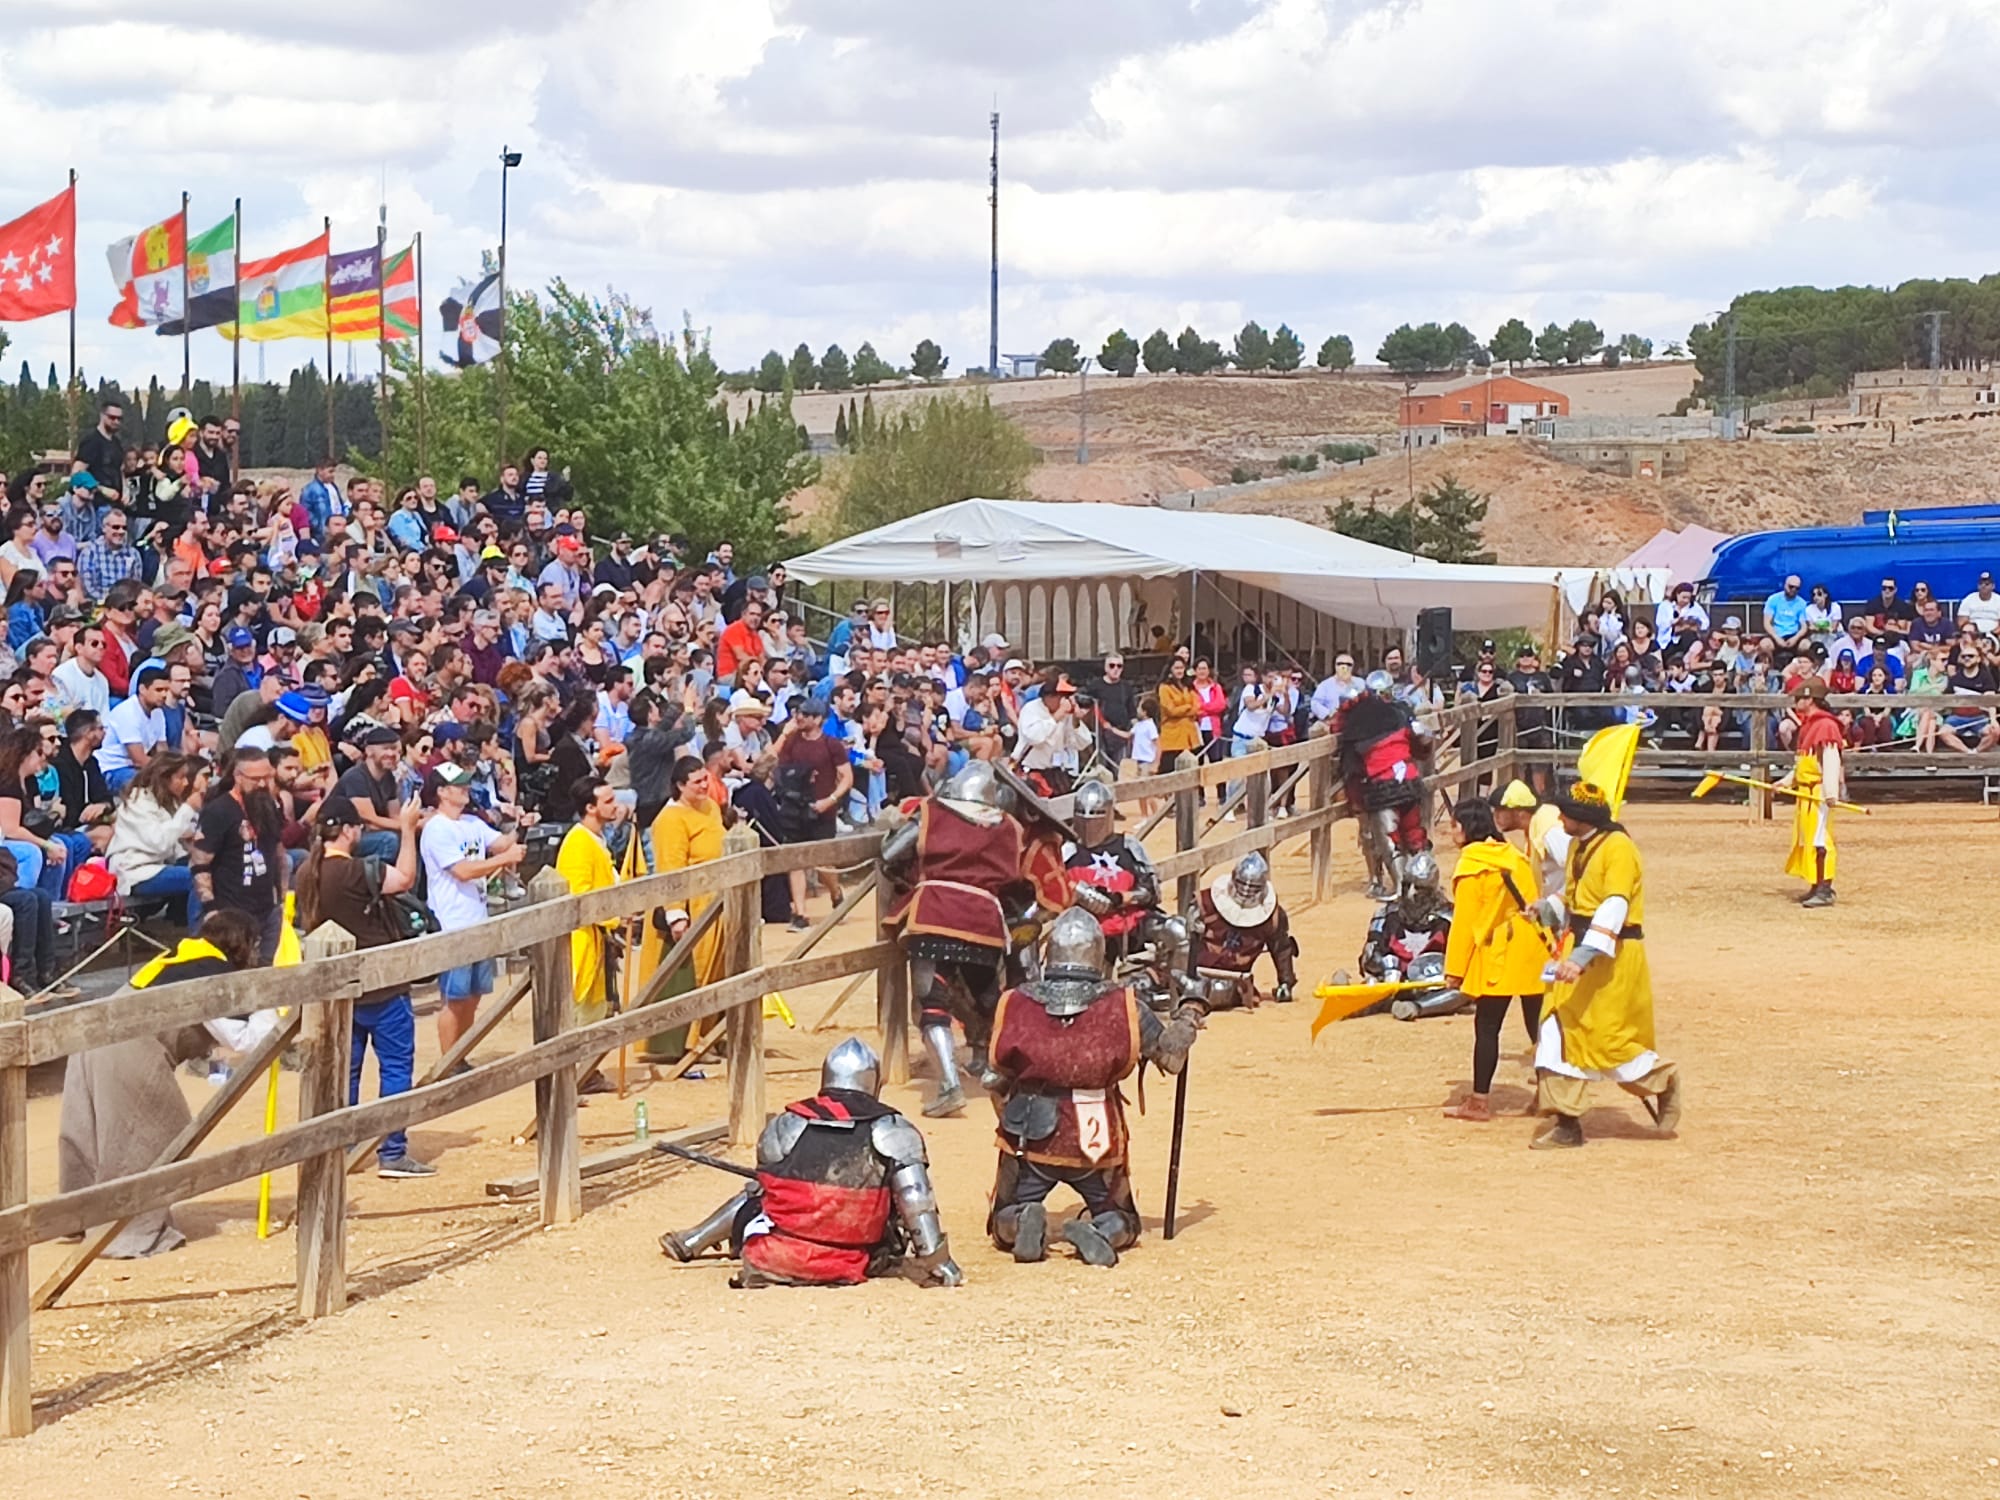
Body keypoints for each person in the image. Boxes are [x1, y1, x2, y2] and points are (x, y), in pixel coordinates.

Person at [985, 909, 1199, 1268]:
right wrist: (1190, 1012)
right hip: (1095, 1135)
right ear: (1098, 954)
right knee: (1122, 1218)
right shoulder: (1123, 1005)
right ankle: (1102, 1230)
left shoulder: (1017, 1002)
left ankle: (1022, 1220)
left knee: (1002, 1217)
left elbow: (996, 1075)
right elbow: (1171, 1057)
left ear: (1049, 953)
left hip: (1029, 1135)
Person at [658, 1036, 962, 1288]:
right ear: (873, 1081)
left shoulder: (787, 1123)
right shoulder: (893, 1128)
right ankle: (693, 1239)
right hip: (852, 1253)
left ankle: (693, 1240)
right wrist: (937, 1261)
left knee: (757, 1192)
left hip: (779, 1253)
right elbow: (915, 1199)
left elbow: (771, 1184)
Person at [57, 910, 274, 1258]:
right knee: (146, 1136)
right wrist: (267, 1001)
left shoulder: (184, 955)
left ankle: (76, 1218)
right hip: (132, 1045)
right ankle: (124, 1235)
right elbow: (247, 1040)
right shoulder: (210, 973)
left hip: (95, 1035)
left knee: (89, 1133)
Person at [1528, 781, 1683, 1150]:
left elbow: (1614, 905)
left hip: (1611, 959)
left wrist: (1581, 958)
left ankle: (1662, 1081)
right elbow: (1577, 895)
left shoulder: (1619, 850)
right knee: (1556, 1030)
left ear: (1582, 817)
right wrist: (1548, 908)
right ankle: (1567, 1123)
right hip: (1577, 952)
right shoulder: (1581, 846)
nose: (1559, 817)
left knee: (1609, 1042)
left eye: (1565, 812)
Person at [878, 759, 1030, 1117]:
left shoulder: (932, 813)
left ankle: (949, 1085)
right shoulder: (1007, 826)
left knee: (932, 1001)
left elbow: (889, 854)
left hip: (937, 913)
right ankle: (1008, 1071)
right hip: (985, 920)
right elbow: (1013, 879)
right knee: (989, 998)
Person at [295, 792, 435, 1176]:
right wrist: (407, 830)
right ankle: (391, 1150)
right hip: (380, 983)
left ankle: (348, 1145)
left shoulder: (307, 871)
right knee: (394, 1066)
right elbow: (405, 878)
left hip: (339, 987)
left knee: (347, 1069)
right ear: (350, 831)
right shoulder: (355, 871)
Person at [1438, 799, 1545, 1122]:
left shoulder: (1472, 866)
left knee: (1487, 1026)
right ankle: (1551, 1095)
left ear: (1466, 828)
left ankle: (1479, 1101)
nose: (1450, 831)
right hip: (1531, 949)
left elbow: (1464, 925)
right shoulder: (1514, 856)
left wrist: (1454, 970)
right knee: (1538, 1028)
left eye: (1454, 825)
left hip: (1499, 950)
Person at [420, 762, 526, 1061]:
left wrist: (522, 825)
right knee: (454, 998)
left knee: (474, 994)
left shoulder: (471, 822)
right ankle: (447, 1061)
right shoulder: (436, 828)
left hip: (477, 918)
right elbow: (463, 871)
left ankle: (460, 1055)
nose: (466, 789)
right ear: (441, 792)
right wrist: (504, 858)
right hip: (452, 922)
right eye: (459, 786)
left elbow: (503, 843)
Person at [555, 777, 624, 1084]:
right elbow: (579, 895)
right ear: (590, 807)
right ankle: (573, 1076)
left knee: (596, 1009)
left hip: (599, 935)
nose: (615, 805)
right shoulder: (578, 842)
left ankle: (587, 1072)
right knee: (579, 1009)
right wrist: (613, 918)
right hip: (583, 938)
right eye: (607, 801)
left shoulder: (596, 838)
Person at [191, 746, 288, 961]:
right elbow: (200, 864)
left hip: (267, 908)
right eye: (255, 779)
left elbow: (279, 853)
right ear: (237, 776)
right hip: (232, 911)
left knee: (267, 970)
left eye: (267, 777)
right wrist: (211, 908)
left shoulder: (268, 804)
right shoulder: (219, 811)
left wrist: (282, 898)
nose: (262, 784)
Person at [1062, 777, 1160, 965]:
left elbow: (1152, 891)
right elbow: (1054, 889)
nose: (1089, 820)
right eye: (1082, 813)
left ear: (1108, 814)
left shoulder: (1129, 846)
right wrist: (1082, 894)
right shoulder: (1067, 851)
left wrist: (1121, 897)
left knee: (1176, 930)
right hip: (1083, 931)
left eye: (1097, 813)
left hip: (1130, 925)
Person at [772, 698, 851, 926]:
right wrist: (785, 735)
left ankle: (836, 893)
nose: (799, 718)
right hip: (794, 807)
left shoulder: (831, 744)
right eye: (798, 713)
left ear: (818, 719)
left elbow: (846, 777)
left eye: (805, 714)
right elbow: (769, 759)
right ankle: (801, 913)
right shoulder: (792, 741)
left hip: (822, 808)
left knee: (823, 862)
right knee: (796, 860)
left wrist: (831, 800)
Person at [1191, 851, 1298, 1011]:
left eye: (1253, 887)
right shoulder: (1205, 903)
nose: (1247, 890)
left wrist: (1285, 982)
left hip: (1236, 982)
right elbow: (1183, 942)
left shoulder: (1273, 916)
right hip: (1197, 973)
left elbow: (1281, 948)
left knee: (1221, 993)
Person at [106, 754, 202, 925]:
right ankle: (198, 935)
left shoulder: (167, 802)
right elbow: (160, 842)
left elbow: (176, 846)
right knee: (198, 877)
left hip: (159, 866)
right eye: (181, 777)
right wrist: (188, 809)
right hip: (135, 872)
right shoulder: (138, 803)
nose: (186, 783)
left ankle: (181, 923)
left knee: (210, 867)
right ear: (165, 778)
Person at [1780, 678, 1846, 909]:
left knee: (1820, 839)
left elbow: (1830, 759)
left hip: (1818, 792)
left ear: (1810, 699)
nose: (1796, 702)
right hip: (1806, 791)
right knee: (1809, 838)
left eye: (1799, 698)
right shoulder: (1808, 724)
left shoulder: (1826, 726)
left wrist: (1830, 792)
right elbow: (1803, 762)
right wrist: (1787, 781)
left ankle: (1825, 889)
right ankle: (1816, 884)